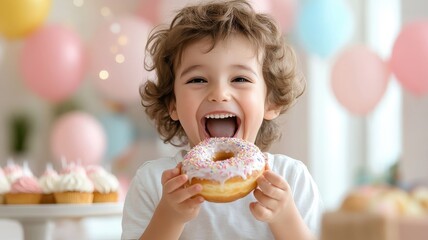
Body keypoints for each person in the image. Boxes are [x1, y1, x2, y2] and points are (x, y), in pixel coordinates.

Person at [121, 0, 323, 239]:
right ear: (172, 103)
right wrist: (169, 216)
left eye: (240, 79)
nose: (219, 93)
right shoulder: (155, 182)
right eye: (197, 80)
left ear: (271, 102)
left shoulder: (291, 179)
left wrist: (285, 218)